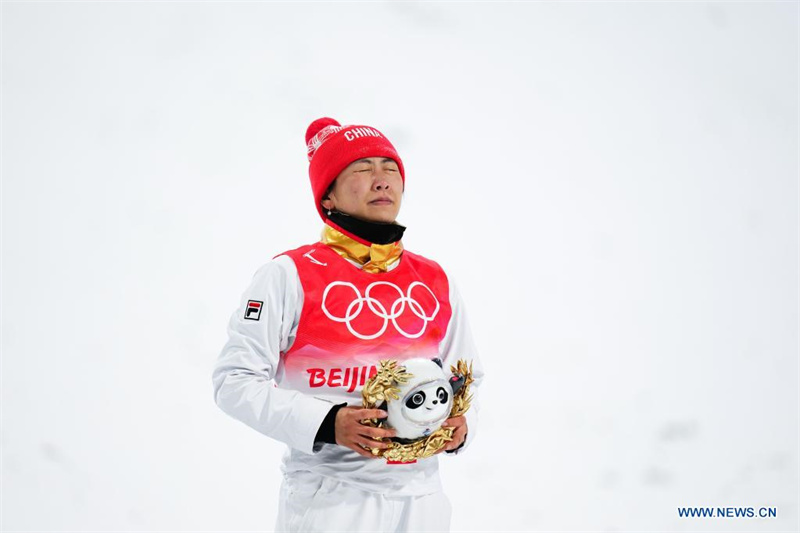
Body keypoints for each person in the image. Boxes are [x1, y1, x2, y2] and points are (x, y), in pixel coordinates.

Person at [212, 117, 484, 533]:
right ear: (328, 198)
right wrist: (327, 422)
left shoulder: (434, 278)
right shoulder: (288, 274)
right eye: (362, 170)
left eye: (389, 168)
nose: (381, 181)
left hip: (423, 498)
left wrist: (462, 427)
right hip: (333, 499)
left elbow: (468, 377)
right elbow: (234, 381)